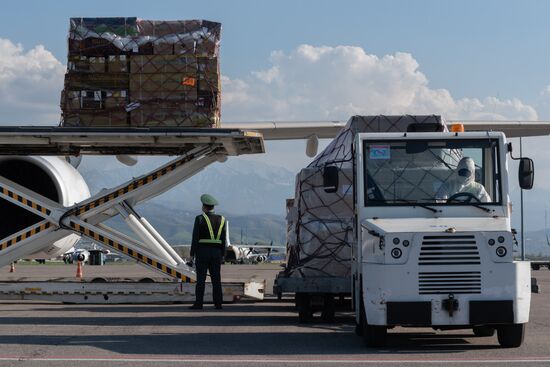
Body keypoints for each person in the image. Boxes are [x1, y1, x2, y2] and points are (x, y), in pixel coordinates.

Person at [189, 194, 227, 310]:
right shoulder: (222, 219)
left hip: (202, 252)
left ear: (204, 207)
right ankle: (218, 303)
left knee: (201, 279)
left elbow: (195, 238)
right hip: (216, 253)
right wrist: (223, 254)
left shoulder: (199, 218)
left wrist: (192, 254)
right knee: (216, 279)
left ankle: (199, 303)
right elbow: (223, 239)